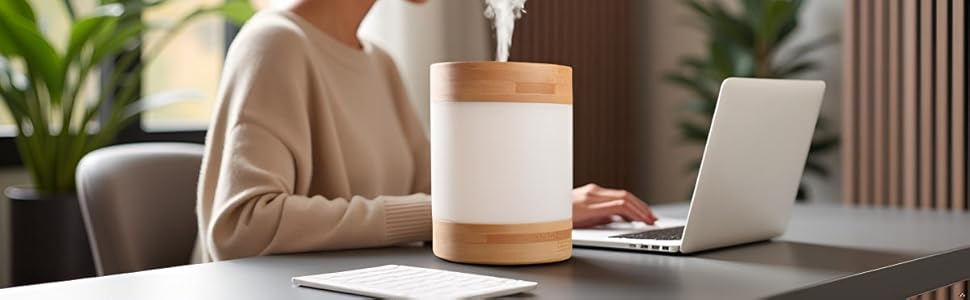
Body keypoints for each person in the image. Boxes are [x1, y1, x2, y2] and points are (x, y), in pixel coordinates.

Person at [196, 0, 657, 262]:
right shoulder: (274, 45)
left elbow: (430, 192)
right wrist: (480, 208)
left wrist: (541, 204)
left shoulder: (378, 63)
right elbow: (242, 228)